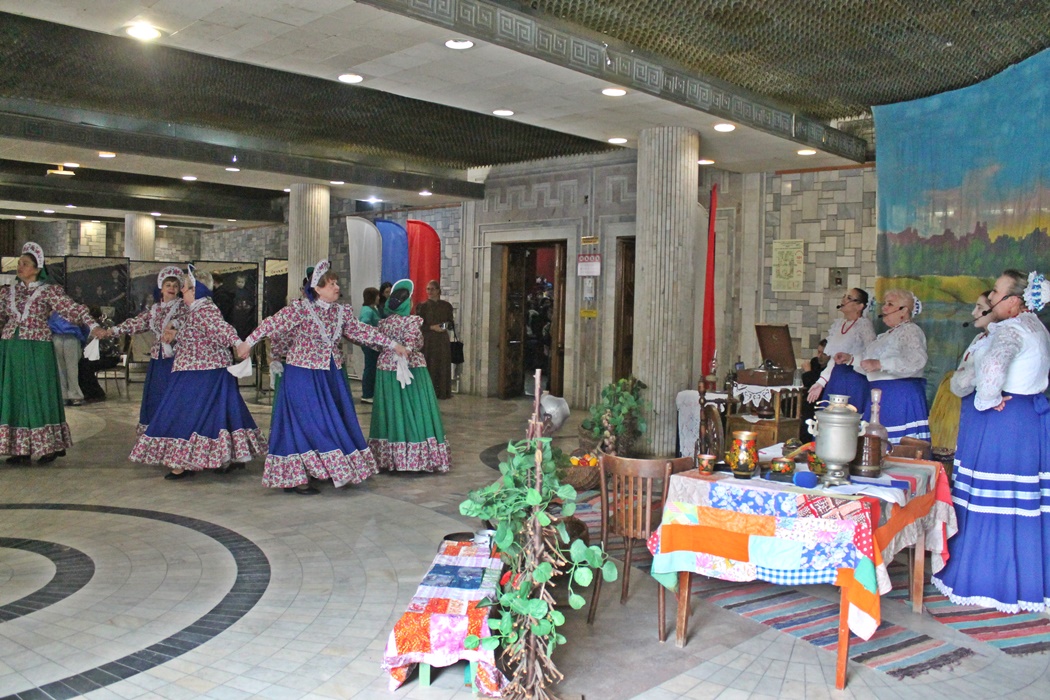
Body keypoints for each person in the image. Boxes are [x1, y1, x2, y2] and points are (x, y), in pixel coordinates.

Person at [932, 270, 1050, 613]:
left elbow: (993, 368)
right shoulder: (1036, 328)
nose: (992, 297)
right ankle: (1025, 580)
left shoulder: (1011, 329)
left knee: (992, 497)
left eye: (997, 292)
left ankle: (986, 578)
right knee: (1020, 501)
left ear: (1014, 301)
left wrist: (987, 399)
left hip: (1003, 421)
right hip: (1027, 420)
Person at [238, 261, 406, 494]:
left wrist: (392, 344)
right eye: (331, 284)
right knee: (307, 423)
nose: (337, 287)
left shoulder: (341, 312)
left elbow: (362, 331)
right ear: (317, 288)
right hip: (302, 374)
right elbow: (272, 324)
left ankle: (319, 469)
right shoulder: (300, 309)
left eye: (336, 283)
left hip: (330, 376)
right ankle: (298, 477)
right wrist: (248, 343)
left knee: (329, 421)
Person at [130, 267, 264, 479]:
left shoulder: (204, 309)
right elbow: (200, 332)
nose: (181, 291)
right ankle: (222, 458)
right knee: (216, 413)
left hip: (200, 372)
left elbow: (221, 328)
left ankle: (183, 462)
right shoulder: (198, 309)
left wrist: (239, 343)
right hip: (201, 370)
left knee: (184, 412)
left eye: (185, 287)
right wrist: (176, 333)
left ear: (196, 289)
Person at [0, 242, 101, 464]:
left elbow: (72, 309)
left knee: (39, 393)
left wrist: (93, 326)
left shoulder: (49, 291)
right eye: (19, 263)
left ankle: (48, 445)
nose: (20, 267)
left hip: (37, 349)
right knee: (16, 394)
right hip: (11, 348)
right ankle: (20, 449)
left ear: (37, 269)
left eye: (25, 264)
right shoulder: (8, 292)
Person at [369, 279, 451, 473]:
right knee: (415, 407)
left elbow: (376, 344)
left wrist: (389, 351)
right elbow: (413, 344)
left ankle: (390, 457)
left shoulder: (383, 324)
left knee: (392, 409)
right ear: (407, 303)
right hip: (412, 369)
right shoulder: (412, 322)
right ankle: (416, 455)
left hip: (386, 369)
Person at [108, 267, 184, 431]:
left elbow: (189, 322)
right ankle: (156, 429)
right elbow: (136, 323)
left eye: (175, 285)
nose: (172, 288)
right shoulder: (155, 309)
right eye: (168, 285)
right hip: (158, 359)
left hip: (177, 359)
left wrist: (176, 325)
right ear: (161, 288)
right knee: (156, 393)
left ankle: (174, 429)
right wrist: (113, 330)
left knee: (174, 394)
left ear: (179, 289)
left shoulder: (183, 307)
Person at [849, 288, 929, 443]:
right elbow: (869, 364)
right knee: (874, 447)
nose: (884, 308)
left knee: (895, 446)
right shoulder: (887, 335)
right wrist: (850, 359)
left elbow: (916, 360)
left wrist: (880, 364)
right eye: (885, 304)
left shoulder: (910, 331)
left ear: (903, 310)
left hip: (899, 397)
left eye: (890, 304)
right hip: (882, 397)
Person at [807, 288, 876, 414]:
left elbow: (872, 354)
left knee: (849, 418)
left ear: (860, 306)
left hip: (854, 379)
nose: (844, 300)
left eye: (849, 298)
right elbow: (833, 360)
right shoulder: (839, 325)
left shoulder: (864, 325)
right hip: (836, 378)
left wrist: (851, 359)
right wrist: (821, 382)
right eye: (844, 296)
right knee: (831, 417)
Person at [414, 279, 454, 399]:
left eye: (432, 289)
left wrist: (442, 327)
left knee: (442, 365)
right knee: (429, 364)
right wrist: (432, 327)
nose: (430, 291)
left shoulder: (446, 306)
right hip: (428, 341)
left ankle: (442, 392)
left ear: (438, 291)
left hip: (442, 340)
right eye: (428, 289)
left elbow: (450, 323)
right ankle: (428, 393)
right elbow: (418, 325)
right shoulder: (422, 306)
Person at [78, 306, 121, 402]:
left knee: (86, 366)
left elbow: (107, 346)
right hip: (99, 355)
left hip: (110, 357)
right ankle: (86, 392)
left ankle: (96, 393)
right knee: (82, 364)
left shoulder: (105, 326)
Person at [48, 311, 86, 406]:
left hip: (59, 337)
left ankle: (63, 396)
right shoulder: (74, 311)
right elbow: (84, 328)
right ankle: (74, 396)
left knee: (62, 368)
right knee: (71, 368)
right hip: (69, 337)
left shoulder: (53, 312)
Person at [359, 287, 382, 404]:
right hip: (370, 344)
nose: (379, 297)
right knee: (370, 368)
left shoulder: (374, 309)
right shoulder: (367, 311)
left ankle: (371, 392)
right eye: (377, 295)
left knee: (372, 368)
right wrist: (374, 332)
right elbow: (364, 323)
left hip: (374, 344)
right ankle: (367, 394)